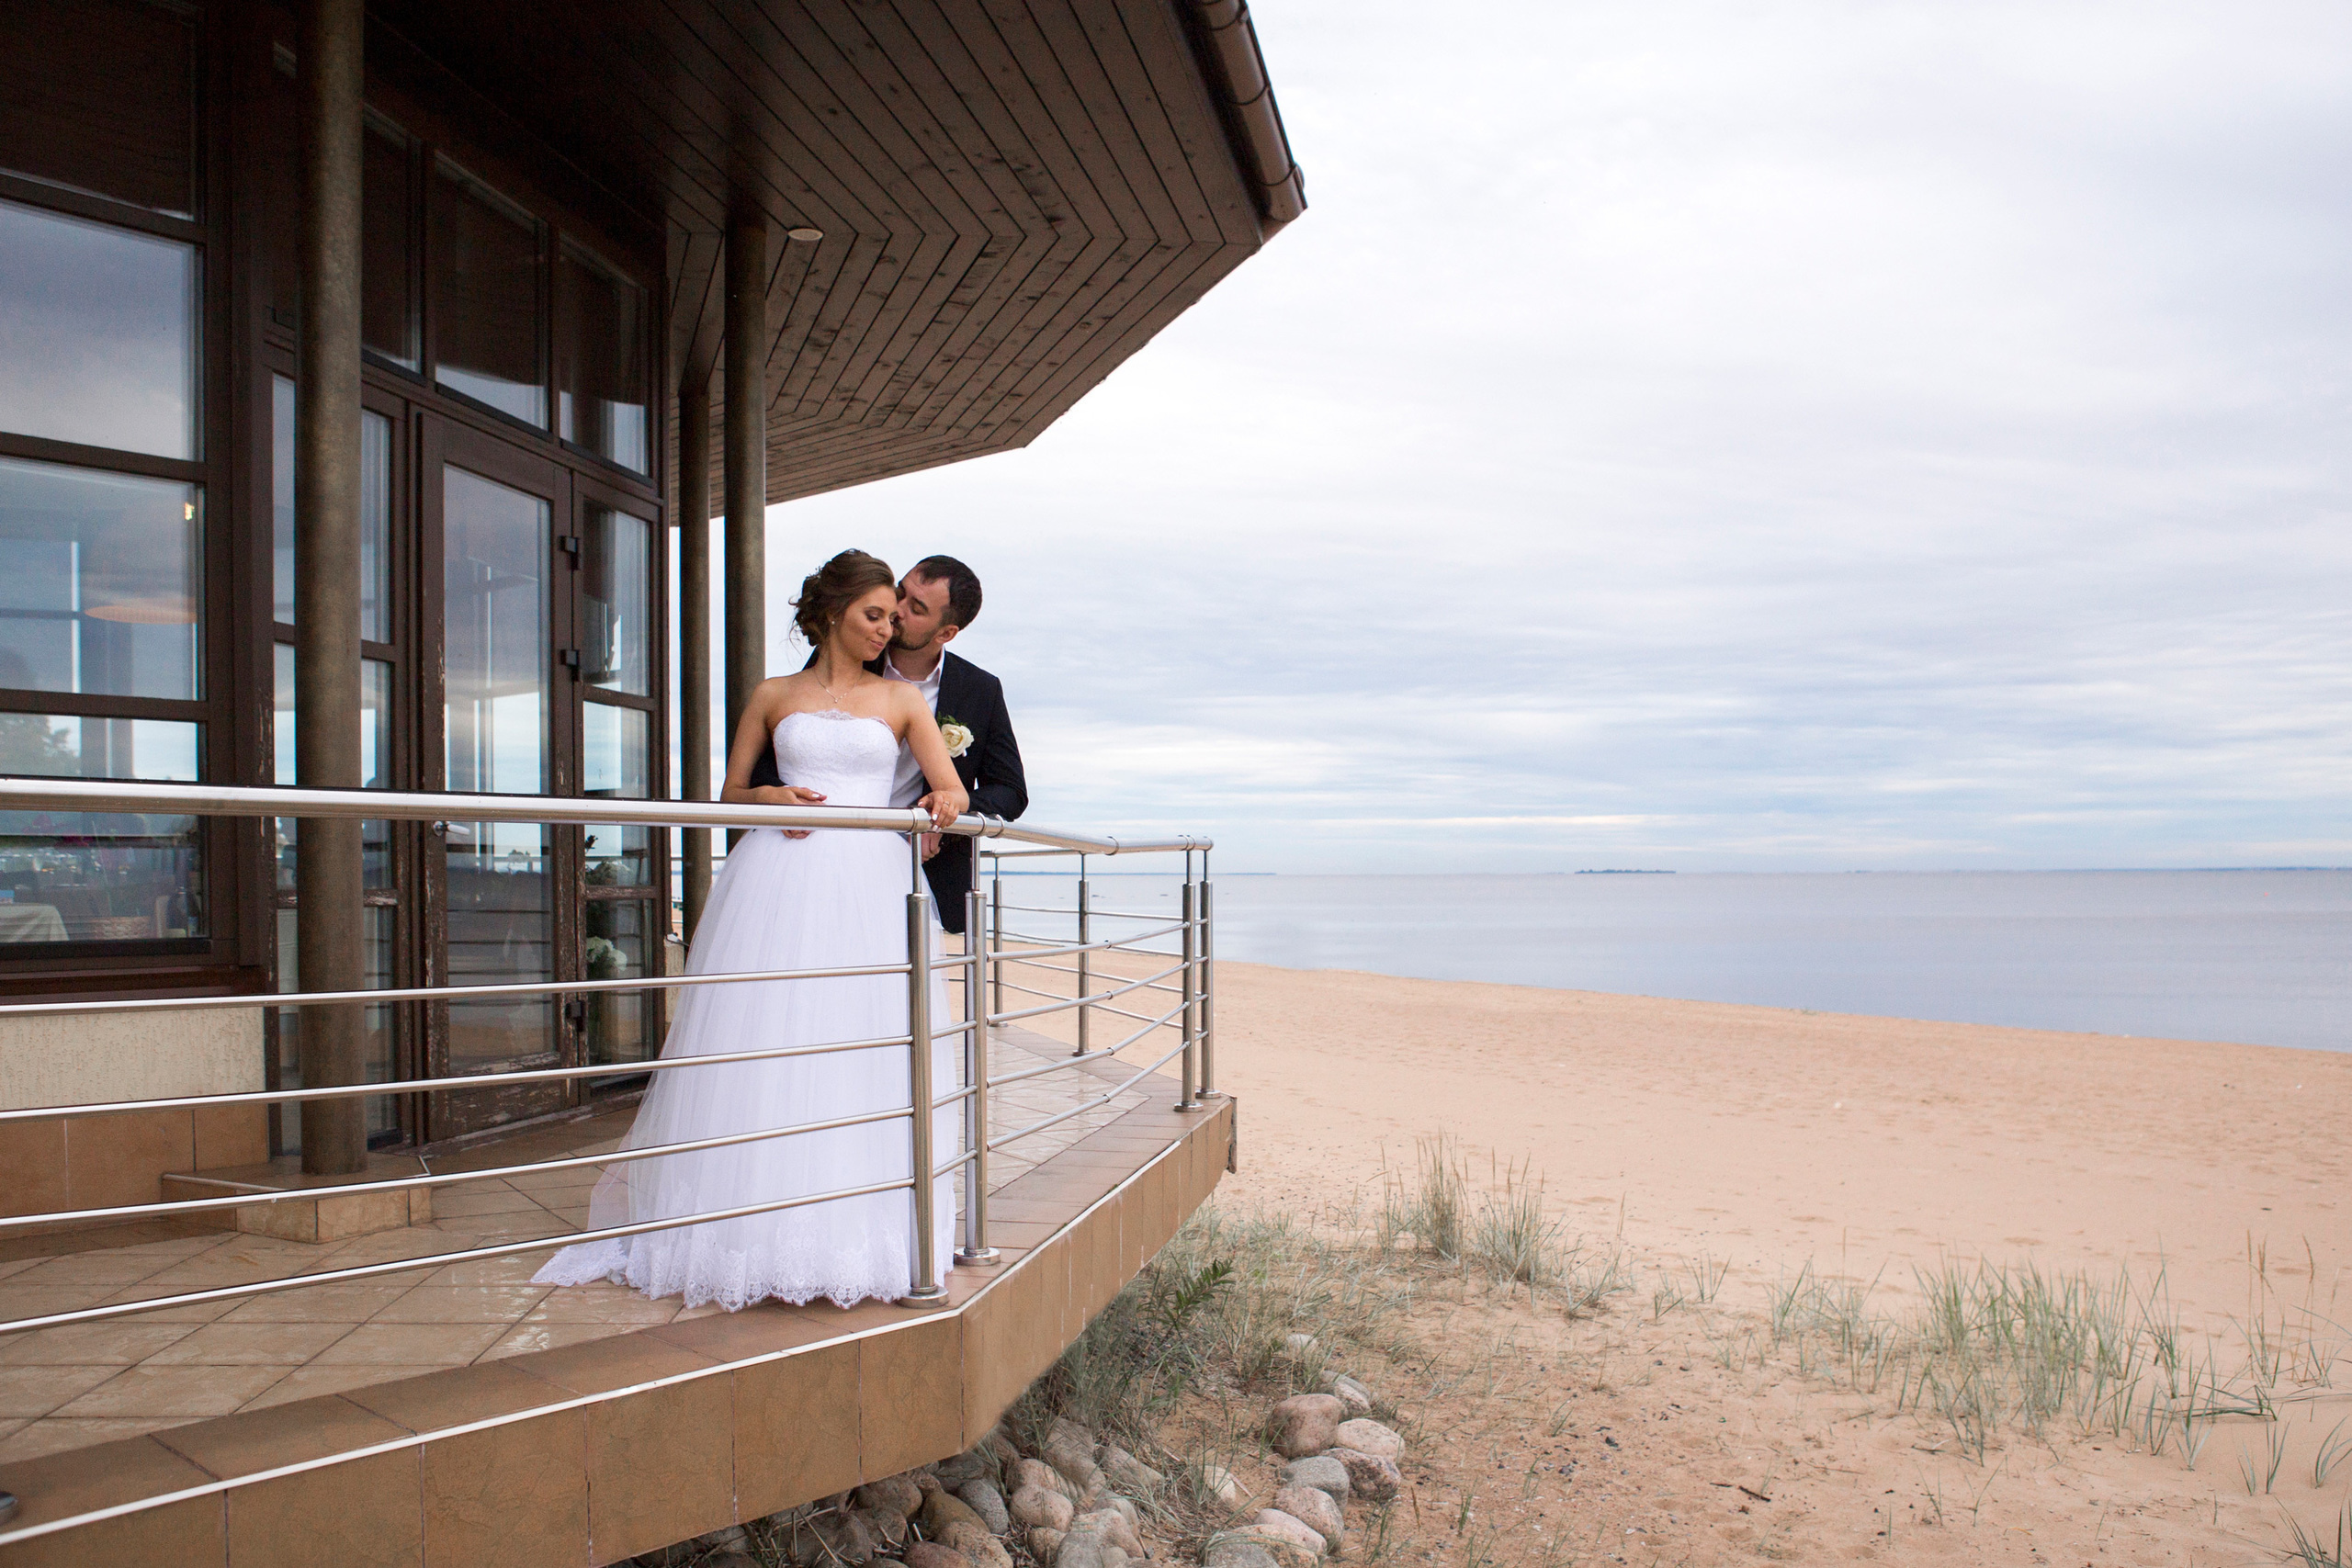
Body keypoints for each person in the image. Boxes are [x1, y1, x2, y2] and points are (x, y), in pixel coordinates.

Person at [534, 550, 969, 1310]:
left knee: (856, 1051)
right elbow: (730, 794)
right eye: (874, 615)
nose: (886, 629)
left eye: (893, 617)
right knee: (764, 1046)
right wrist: (771, 792)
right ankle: (749, 1232)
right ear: (834, 612)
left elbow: (950, 786)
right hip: (777, 881)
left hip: (868, 888)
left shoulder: (904, 703)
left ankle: (858, 1234)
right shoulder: (772, 694)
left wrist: (942, 804)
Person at [745, 555, 1026, 935]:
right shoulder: (848, 652)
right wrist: (778, 797)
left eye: (917, 608)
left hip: (912, 866)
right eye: (901, 593)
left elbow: (1010, 791)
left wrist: (943, 820)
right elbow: (789, 743)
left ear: (945, 633)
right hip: (806, 848)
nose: (898, 611)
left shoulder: (980, 690)